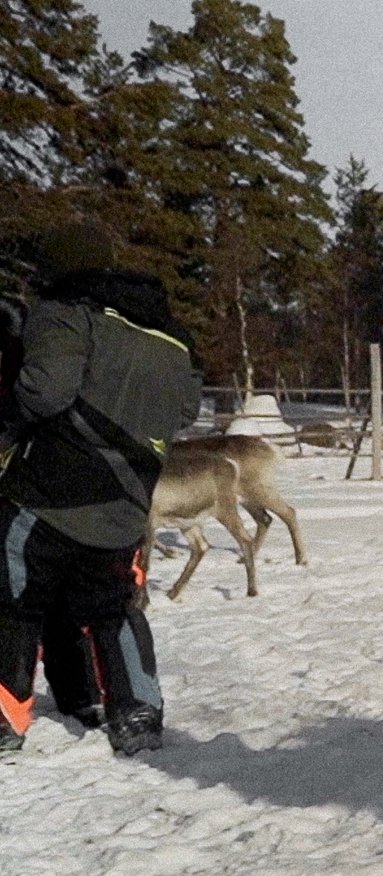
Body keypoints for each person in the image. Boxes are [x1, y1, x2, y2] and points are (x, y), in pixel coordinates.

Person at [0, 221, 202, 755]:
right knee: (111, 605)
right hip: (127, 506)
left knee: (14, 597)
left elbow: (46, 390)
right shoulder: (167, 333)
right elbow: (185, 409)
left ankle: (4, 716)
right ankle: (130, 709)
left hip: (49, 493)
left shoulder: (65, 313)